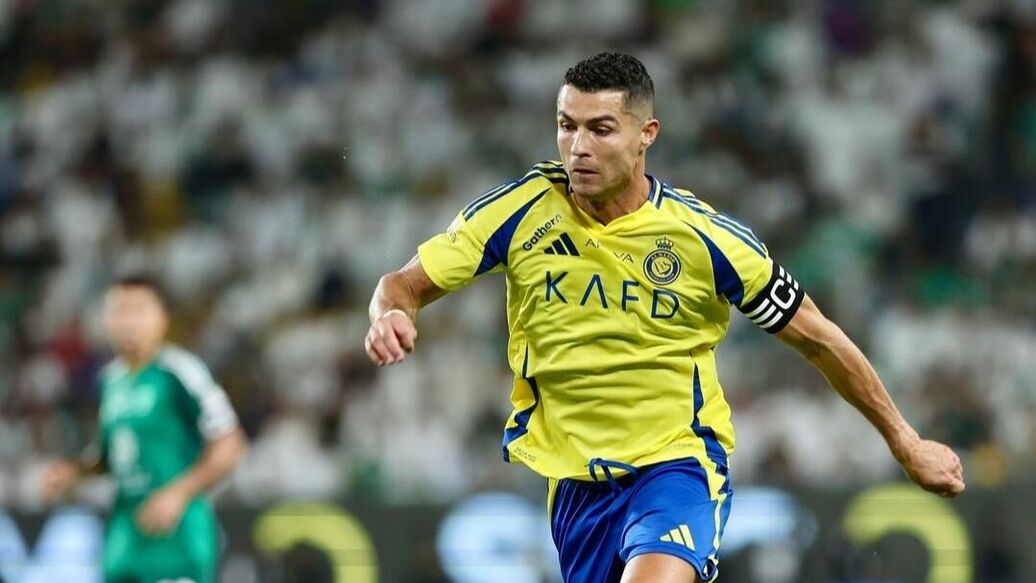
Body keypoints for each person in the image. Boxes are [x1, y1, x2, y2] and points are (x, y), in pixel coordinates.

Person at [364, 52, 965, 583]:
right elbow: (403, 283)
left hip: (677, 467)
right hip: (574, 489)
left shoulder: (706, 240)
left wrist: (905, 441)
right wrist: (391, 314)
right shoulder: (520, 212)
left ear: (646, 134)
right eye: (566, 126)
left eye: (601, 129)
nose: (578, 147)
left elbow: (819, 340)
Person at [40, 274, 248, 583]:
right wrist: (75, 473)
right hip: (125, 538)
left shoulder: (179, 371)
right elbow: (111, 456)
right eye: (118, 311)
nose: (127, 322)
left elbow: (230, 444)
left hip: (177, 539)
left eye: (138, 311)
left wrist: (177, 494)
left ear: (162, 319)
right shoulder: (109, 381)